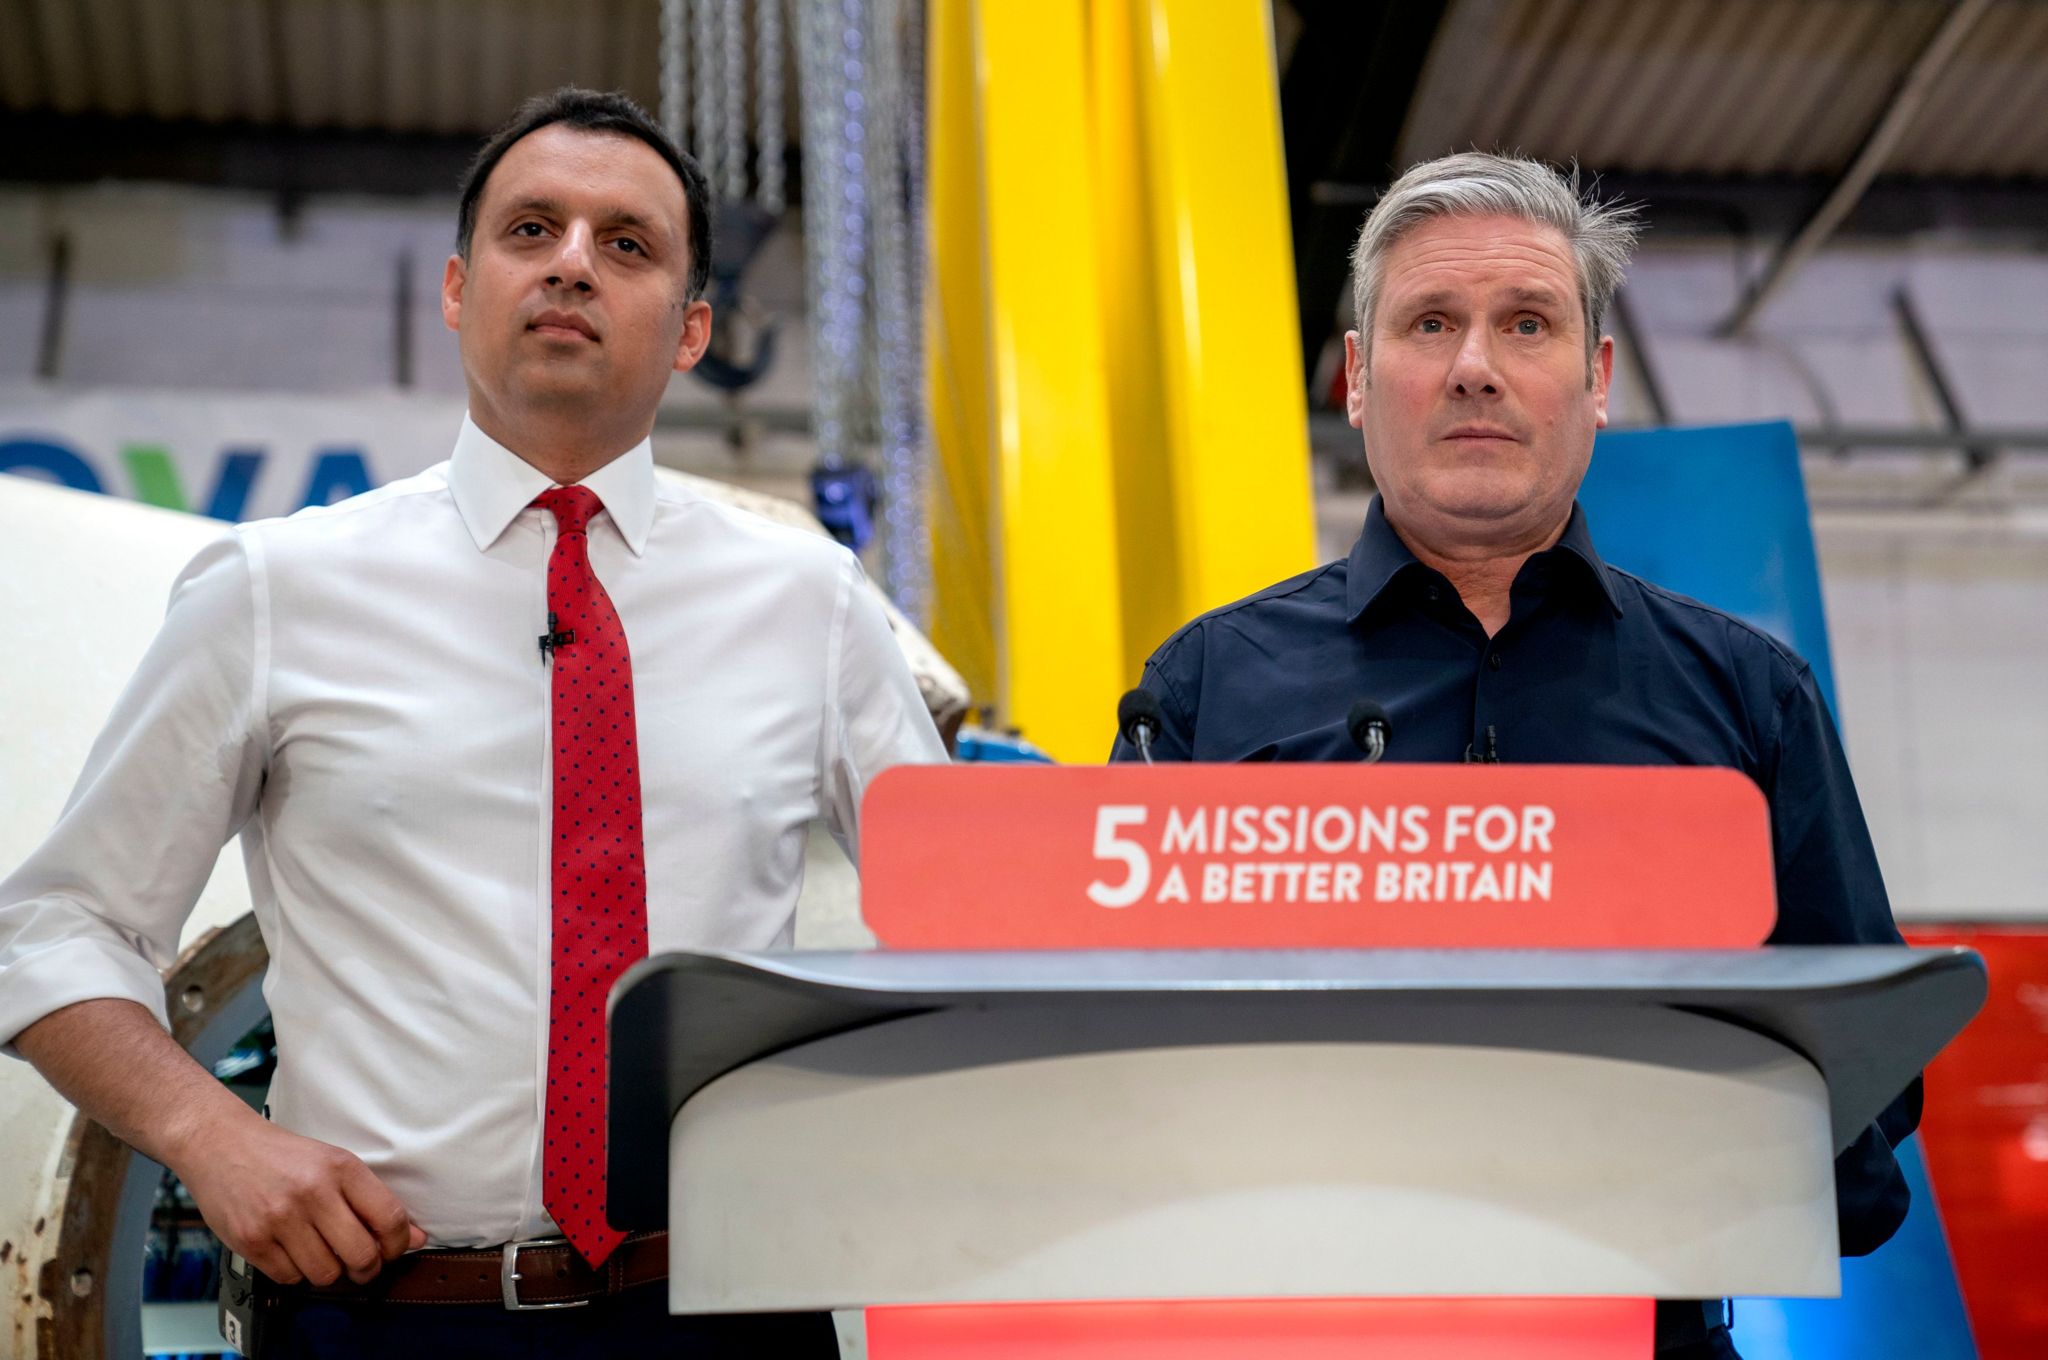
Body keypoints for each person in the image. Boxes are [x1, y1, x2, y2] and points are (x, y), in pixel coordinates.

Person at [0, 87, 945, 1357]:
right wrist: (212, 1138)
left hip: (724, 1305)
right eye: (530, 229)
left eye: (626, 244)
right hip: (382, 1314)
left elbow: (963, 922)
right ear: (457, 289)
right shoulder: (277, 589)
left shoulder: (810, 601)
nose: (570, 263)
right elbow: (54, 926)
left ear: (689, 330)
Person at [1110, 152, 1916, 1360]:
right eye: (1428, 322)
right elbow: (1105, 1058)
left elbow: (1868, 1077)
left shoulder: (1748, 700)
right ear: (1355, 376)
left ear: (1593, 380)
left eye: (1524, 323)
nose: (1474, 366)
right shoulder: (1203, 690)